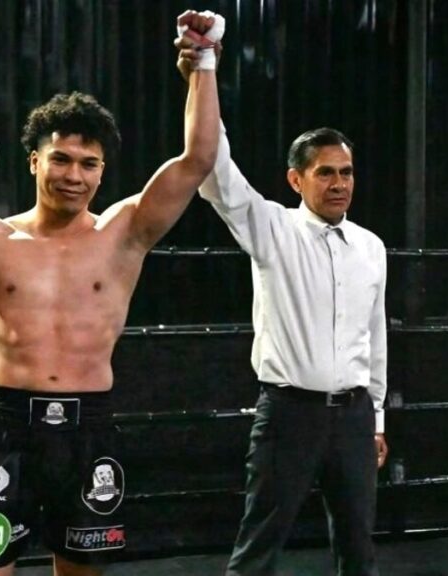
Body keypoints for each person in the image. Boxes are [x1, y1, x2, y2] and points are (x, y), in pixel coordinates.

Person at [0, 10, 224, 575]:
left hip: (90, 429)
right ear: (35, 161)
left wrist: (202, 62)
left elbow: (197, 159)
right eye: (60, 159)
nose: (73, 175)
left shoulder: (124, 232)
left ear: (102, 173)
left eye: (88, 164)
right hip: (8, 430)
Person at [175, 38, 388, 576]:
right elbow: (214, 172)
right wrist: (203, 69)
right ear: (297, 179)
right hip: (290, 413)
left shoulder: (371, 246)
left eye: (346, 172)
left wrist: (378, 417)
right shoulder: (273, 228)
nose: (340, 183)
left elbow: (375, 338)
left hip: (356, 417)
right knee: (260, 544)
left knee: (359, 547)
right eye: (326, 172)